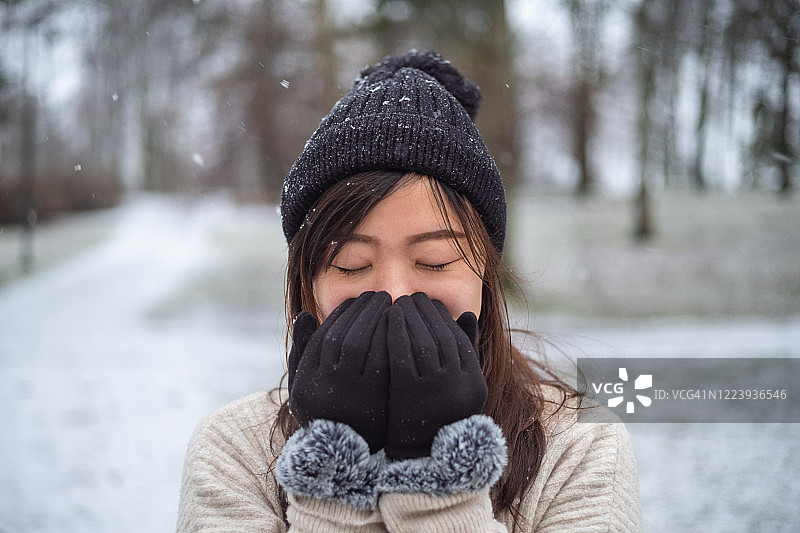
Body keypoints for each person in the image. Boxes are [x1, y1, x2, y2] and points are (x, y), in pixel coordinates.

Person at [176, 50, 641, 532]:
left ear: (484, 274)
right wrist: (334, 475)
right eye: (352, 266)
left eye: (434, 261)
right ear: (308, 286)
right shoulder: (233, 451)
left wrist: (437, 482)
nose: (396, 296)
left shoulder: (579, 448)